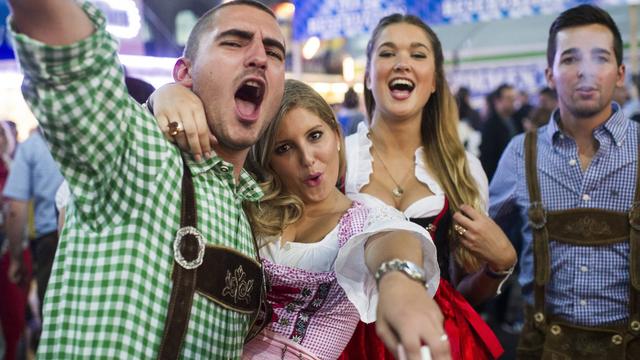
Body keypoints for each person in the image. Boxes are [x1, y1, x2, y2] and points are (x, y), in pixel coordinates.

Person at [8, 0, 287, 357]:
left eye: (274, 52)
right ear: (185, 73)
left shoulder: (251, 211)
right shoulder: (139, 154)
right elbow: (70, 57)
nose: (260, 58)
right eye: (234, 42)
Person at [151, 79, 449, 359]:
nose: (307, 158)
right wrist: (163, 95)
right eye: (285, 148)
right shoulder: (247, 208)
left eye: (315, 136)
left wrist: (400, 283)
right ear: (268, 159)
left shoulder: (365, 218)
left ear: (335, 134)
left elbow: (392, 241)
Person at [490, 4, 640, 359]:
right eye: (570, 59)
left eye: (599, 59)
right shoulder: (519, 153)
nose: (585, 72)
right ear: (550, 74)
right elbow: (478, 246)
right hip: (541, 348)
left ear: (619, 73)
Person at [480, 83, 520, 180]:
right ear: (497, 101)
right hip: (499, 177)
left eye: (514, 98)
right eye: (508, 98)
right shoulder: (490, 125)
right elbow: (488, 159)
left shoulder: (516, 119)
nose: (513, 101)